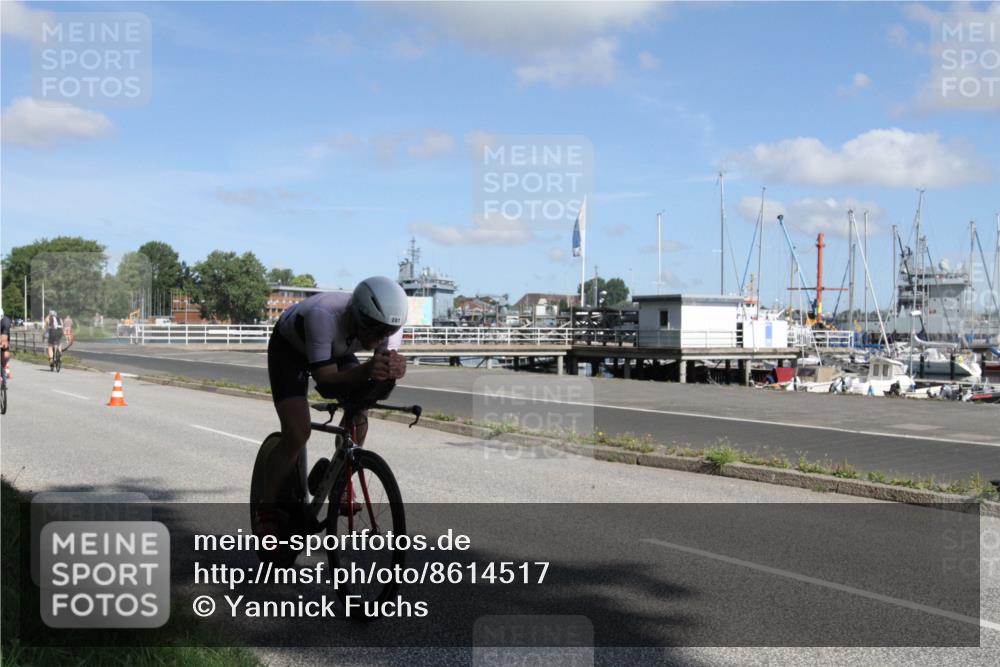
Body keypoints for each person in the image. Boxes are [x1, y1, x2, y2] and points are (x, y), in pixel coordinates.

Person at [260, 276, 408, 535]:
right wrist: (367, 370)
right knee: (297, 433)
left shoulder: (388, 326)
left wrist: (393, 370)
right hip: (290, 351)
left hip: (336, 349)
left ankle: (336, 475)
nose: (381, 337)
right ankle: (266, 507)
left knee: (359, 410)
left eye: (387, 331)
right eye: (375, 330)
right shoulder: (323, 315)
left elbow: (375, 381)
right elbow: (326, 381)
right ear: (358, 317)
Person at [0, 308, 11, 380]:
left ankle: (5, 367)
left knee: (5, 355)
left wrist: (3, 344)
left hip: (4, 333)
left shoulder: (6, 321)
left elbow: (4, 337)